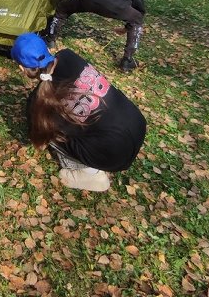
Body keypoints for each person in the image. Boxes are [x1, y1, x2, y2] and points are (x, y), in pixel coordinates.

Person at [11, 33, 146, 192]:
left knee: (49, 131)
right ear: (48, 49)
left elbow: (40, 142)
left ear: (22, 68)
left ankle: (90, 174)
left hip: (113, 155)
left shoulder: (38, 104)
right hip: (137, 124)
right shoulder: (68, 56)